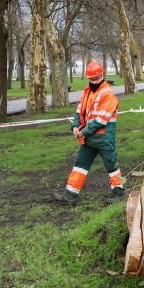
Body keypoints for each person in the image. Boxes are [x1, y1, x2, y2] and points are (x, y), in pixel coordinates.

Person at [53, 61, 125, 204]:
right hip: (89, 138)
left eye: (96, 79)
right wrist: (74, 126)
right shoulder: (87, 92)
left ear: (102, 75)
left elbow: (101, 120)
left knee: (112, 166)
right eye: (91, 79)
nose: (93, 81)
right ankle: (70, 195)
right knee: (80, 164)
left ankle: (119, 193)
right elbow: (79, 111)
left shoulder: (107, 94)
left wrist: (83, 132)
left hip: (104, 138)